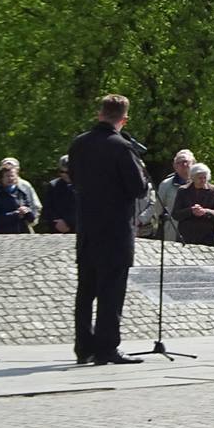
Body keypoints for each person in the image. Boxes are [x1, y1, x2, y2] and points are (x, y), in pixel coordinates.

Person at [68, 94, 149, 365]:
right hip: (115, 231)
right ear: (123, 119)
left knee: (86, 291)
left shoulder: (79, 144)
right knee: (111, 292)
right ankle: (107, 348)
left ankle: (83, 346)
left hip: (88, 229)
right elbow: (138, 188)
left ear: (100, 113)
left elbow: (76, 181)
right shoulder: (121, 147)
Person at [172, 164, 214, 247]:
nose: (203, 180)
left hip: (208, 237)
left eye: (205, 178)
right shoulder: (183, 190)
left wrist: (205, 212)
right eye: (200, 178)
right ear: (193, 177)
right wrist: (191, 210)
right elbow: (175, 214)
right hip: (187, 236)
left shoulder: (213, 191)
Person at [0, 162, 38, 234]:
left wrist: (27, 211)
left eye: (12, 176)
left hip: (22, 234)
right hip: (1, 234)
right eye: (7, 176)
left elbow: (31, 219)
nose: (10, 178)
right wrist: (15, 214)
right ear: (1, 178)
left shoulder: (22, 193)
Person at [155, 150, 194, 242]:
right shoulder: (166, 184)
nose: (183, 165)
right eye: (179, 162)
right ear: (174, 166)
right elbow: (158, 208)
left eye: (186, 162)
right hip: (174, 229)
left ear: (193, 164)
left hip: (196, 229)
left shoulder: (201, 182)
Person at [44, 156, 78, 234]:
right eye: (62, 172)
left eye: (69, 172)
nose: (65, 175)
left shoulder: (86, 186)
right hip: (58, 231)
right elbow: (47, 210)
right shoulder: (53, 186)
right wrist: (57, 222)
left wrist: (69, 222)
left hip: (81, 229)